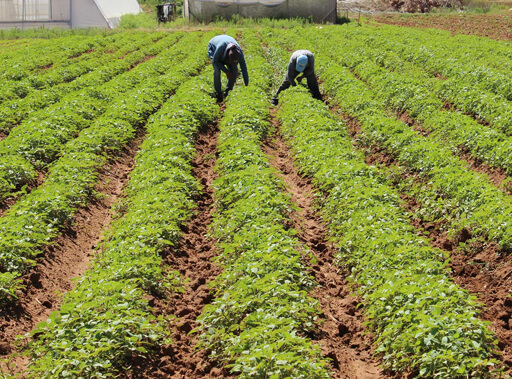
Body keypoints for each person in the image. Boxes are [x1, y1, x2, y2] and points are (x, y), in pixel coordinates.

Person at [207, 35, 249, 102]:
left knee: (234, 71)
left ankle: (228, 91)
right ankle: (218, 92)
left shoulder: (239, 53)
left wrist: (246, 82)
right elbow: (216, 61)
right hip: (214, 47)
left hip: (226, 47)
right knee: (217, 71)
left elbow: (243, 66)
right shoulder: (220, 48)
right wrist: (226, 71)